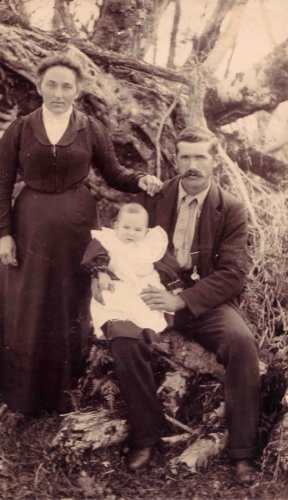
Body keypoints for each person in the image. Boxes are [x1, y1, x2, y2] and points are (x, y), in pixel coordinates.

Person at [0, 54, 162, 415]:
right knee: (27, 304)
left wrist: (139, 179)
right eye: (52, 84)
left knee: (68, 305)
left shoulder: (90, 128)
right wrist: (3, 233)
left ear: (78, 91)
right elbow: (2, 181)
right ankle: (19, 394)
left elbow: (112, 172)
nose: (59, 93)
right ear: (38, 86)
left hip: (77, 227)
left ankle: (62, 395)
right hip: (29, 225)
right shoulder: (19, 129)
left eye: (67, 86)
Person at [97, 126, 261, 484]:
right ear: (175, 159)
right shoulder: (154, 198)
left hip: (204, 300)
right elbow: (121, 242)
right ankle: (146, 436)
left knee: (242, 344)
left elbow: (233, 273)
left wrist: (183, 299)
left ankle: (243, 453)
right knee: (123, 337)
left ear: (215, 161)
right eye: (185, 156)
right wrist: (103, 272)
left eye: (201, 156)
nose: (192, 165)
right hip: (151, 293)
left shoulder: (230, 209)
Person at [82, 203, 180, 342]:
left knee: (148, 313)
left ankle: (148, 334)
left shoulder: (149, 247)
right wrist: (102, 273)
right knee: (117, 307)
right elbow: (96, 256)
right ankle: (121, 329)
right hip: (118, 286)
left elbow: (165, 267)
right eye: (126, 227)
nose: (131, 233)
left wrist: (173, 286)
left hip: (145, 286)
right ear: (116, 227)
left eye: (138, 230)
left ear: (146, 232)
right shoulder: (110, 241)